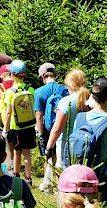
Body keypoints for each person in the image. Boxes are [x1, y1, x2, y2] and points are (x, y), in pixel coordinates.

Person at [44, 69, 90, 172]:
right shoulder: (90, 99)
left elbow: (57, 128)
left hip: (66, 144)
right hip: (86, 143)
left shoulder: (65, 101)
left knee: (65, 175)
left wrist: (48, 147)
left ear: (69, 84)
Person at [34, 62, 69, 192]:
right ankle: (63, 185)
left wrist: (41, 134)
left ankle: (48, 184)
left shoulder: (39, 92)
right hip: (62, 127)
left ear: (43, 76)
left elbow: (38, 115)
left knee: (48, 155)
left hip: (48, 128)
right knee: (61, 156)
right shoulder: (64, 89)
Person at [2, 60, 36, 186]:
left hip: (16, 126)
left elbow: (8, 113)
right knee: (27, 152)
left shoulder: (10, 92)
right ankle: (28, 178)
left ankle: (16, 176)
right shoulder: (31, 89)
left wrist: (5, 130)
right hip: (29, 124)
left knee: (17, 151)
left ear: (12, 74)